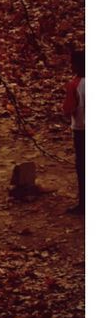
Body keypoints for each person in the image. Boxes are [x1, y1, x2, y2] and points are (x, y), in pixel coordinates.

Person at [63, 48, 85, 215]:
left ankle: (83, 203)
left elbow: (68, 109)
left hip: (82, 130)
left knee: (83, 167)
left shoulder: (74, 84)